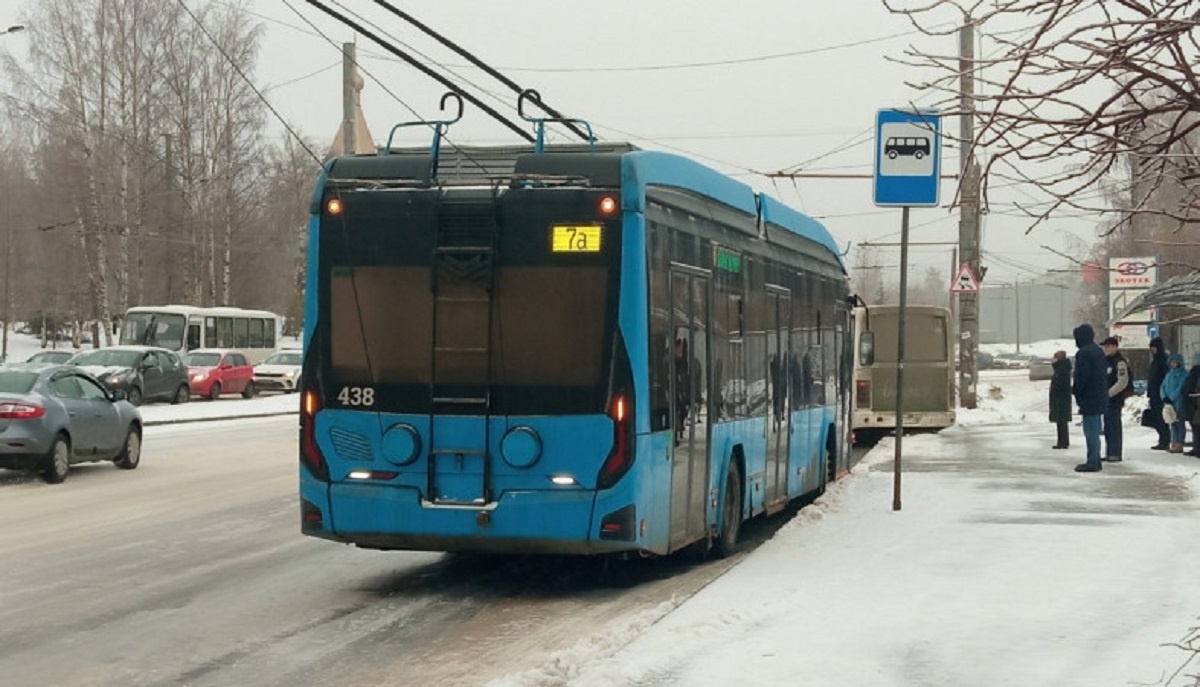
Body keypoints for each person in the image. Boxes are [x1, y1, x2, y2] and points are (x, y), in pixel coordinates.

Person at [1072, 324, 1109, 472]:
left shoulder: (1084, 353)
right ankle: (1095, 459)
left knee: (1091, 430)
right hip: (1099, 395)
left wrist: (1076, 390)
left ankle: (1093, 461)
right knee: (1095, 428)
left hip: (1089, 397)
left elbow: (1082, 376)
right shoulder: (1098, 351)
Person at [1100, 335, 1131, 463]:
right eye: (1105, 347)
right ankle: (1110, 452)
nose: (1107, 349)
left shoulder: (1119, 362)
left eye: (1109, 347)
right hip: (1106, 399)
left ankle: (1115, 453)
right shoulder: (1106, 361)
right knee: (1108, 427)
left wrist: (1109, 393)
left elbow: (1122, 381)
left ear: (1115, 347)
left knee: (1114, 426)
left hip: (1115, 399)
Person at [1146, 337, 1171, 450]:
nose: (1153, 349)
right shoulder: (1155, 361)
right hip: (1154, 394)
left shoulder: (1163, 360)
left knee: (1161, 418)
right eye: (1151, 347)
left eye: (1154, 347)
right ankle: (1162, 439)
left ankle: (1165, 440)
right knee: (1157, 418)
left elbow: (1165, 378)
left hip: (1160, 394)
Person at [1160, 353, 1188, 453]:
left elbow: (1181, 388)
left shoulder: (1183, 374)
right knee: (1172, 422)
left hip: (1178, 402)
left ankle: (1180, 443)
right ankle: (1174, 442)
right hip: (1168, 403)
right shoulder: (1169, 374)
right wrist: (1164, 397)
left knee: (1179, 422)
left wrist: (1171, 397)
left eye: (1175, 362)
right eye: (1172, 362)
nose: (1173, 364)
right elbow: (1162, 386)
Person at [1048, 350, 1072, 449]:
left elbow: (1059, 385)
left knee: (1061, 421)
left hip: (1061, 399)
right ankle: (1063, 441)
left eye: (1054, 358)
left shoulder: (1061, 370)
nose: (1052, 360)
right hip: (1061, 399)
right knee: (1061, 421)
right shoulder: (1061, 368)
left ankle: (1062, 442)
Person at [1180, 353, 1200, 458]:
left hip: (1194, 402)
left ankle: (1197, 448)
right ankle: (1196, 447)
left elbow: (1188, 388)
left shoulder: (1194, 373)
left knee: (1196, 427)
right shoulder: (1192, 373)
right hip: (1192, 402)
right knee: (1195, 426)